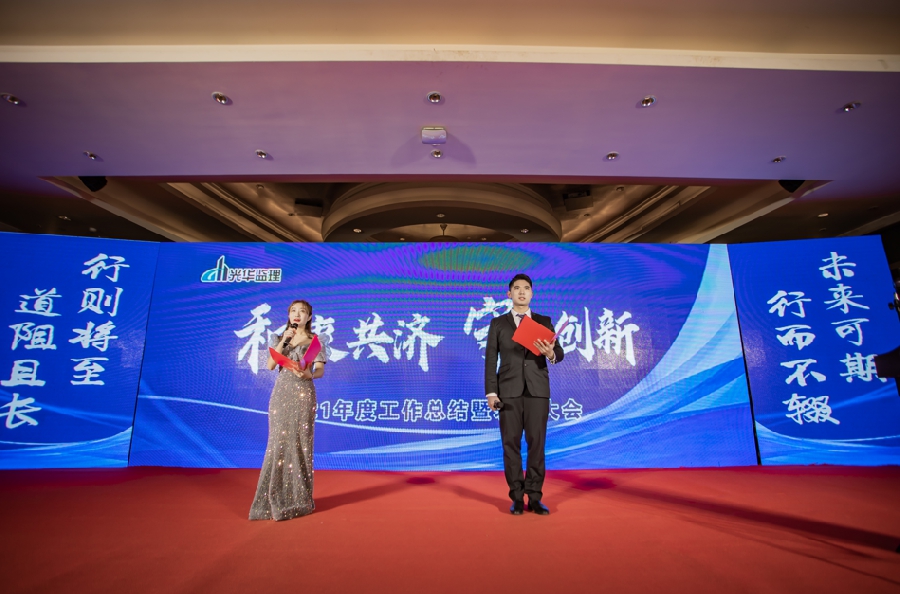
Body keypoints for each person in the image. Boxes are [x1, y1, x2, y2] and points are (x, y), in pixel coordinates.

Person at [485, 274, 564, 516]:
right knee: (510, 444)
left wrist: (550, 353)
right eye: (517, 288)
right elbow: (491, 360)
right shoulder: (498, 323)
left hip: (537, 391)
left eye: (526, 288)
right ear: (509, 294)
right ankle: (517, 497)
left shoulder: (543, 321)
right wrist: (491, 392)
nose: (522, 292)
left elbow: (559, 354)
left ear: (532, 293)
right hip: (508, 392)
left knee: (537, 445)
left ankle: (535, 497)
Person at [249, 299, 327, 521]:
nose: (297, 314)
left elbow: (319, 370)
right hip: (282, 394)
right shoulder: (279, 338)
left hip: (304, 393)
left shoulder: (316, 341)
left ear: (309, 317)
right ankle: (268, 501)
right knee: (277, 443)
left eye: (302, 311)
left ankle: (299, 500)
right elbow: (270, 365)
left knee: (300, 443)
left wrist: (310, 374)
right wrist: (285, 339)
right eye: (293, 311)